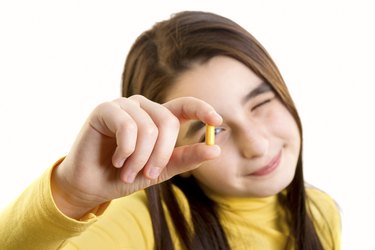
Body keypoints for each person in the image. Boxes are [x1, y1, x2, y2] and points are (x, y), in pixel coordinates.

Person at [0, 11, 341, 249]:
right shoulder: (139, 221)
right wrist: (72, 195)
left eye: (260, 104)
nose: (255, 144)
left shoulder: (320, 211)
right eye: (213, 132)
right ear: (170, 153)